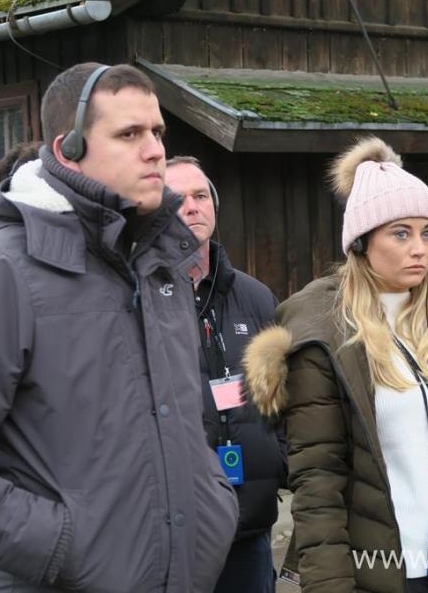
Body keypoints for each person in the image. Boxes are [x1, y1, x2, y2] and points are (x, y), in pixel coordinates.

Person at [0, 63, 238, 593]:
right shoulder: (1, 271)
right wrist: (61, 547)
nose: (154, 151)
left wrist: (213, 504)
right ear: (67, 149)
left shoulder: (159, 263)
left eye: (157, 133)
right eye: (129, 134)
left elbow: (183, 419)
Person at [243, 137, 428, 593]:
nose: (419, 247)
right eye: (400, 233)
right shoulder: (325, 335)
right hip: (388, 573)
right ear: (361, 242)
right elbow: (318, 484)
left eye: (427, 233)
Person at [164, 156, 285, 593]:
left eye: (201, 196)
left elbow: (284, 390)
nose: (192, 206)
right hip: (174, 527)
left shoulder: (254, 295)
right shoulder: (139, 295)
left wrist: (278, 456)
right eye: (177, 198)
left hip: (249, 520)